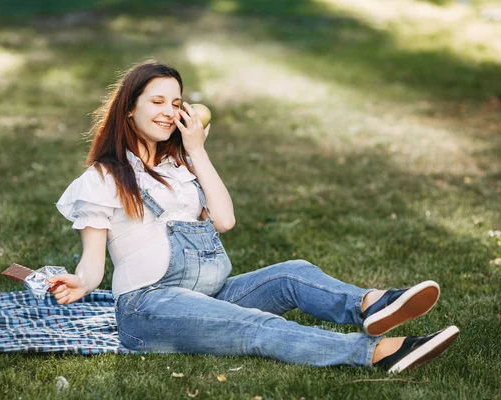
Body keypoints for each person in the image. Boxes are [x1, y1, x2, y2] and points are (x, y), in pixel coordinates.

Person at [48, 60, 459, 373]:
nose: (169, 112)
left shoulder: (181, 170)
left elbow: (224, 220)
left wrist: (197, 151)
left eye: (176, 103)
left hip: (208, 294)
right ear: (128, 111)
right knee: (253, 325)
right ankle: (377, 353)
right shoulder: (103, 177)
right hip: (147, 308)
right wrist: (80, 282)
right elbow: (92, 263)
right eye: (156, 102)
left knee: (291, 273)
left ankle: (371, 305)